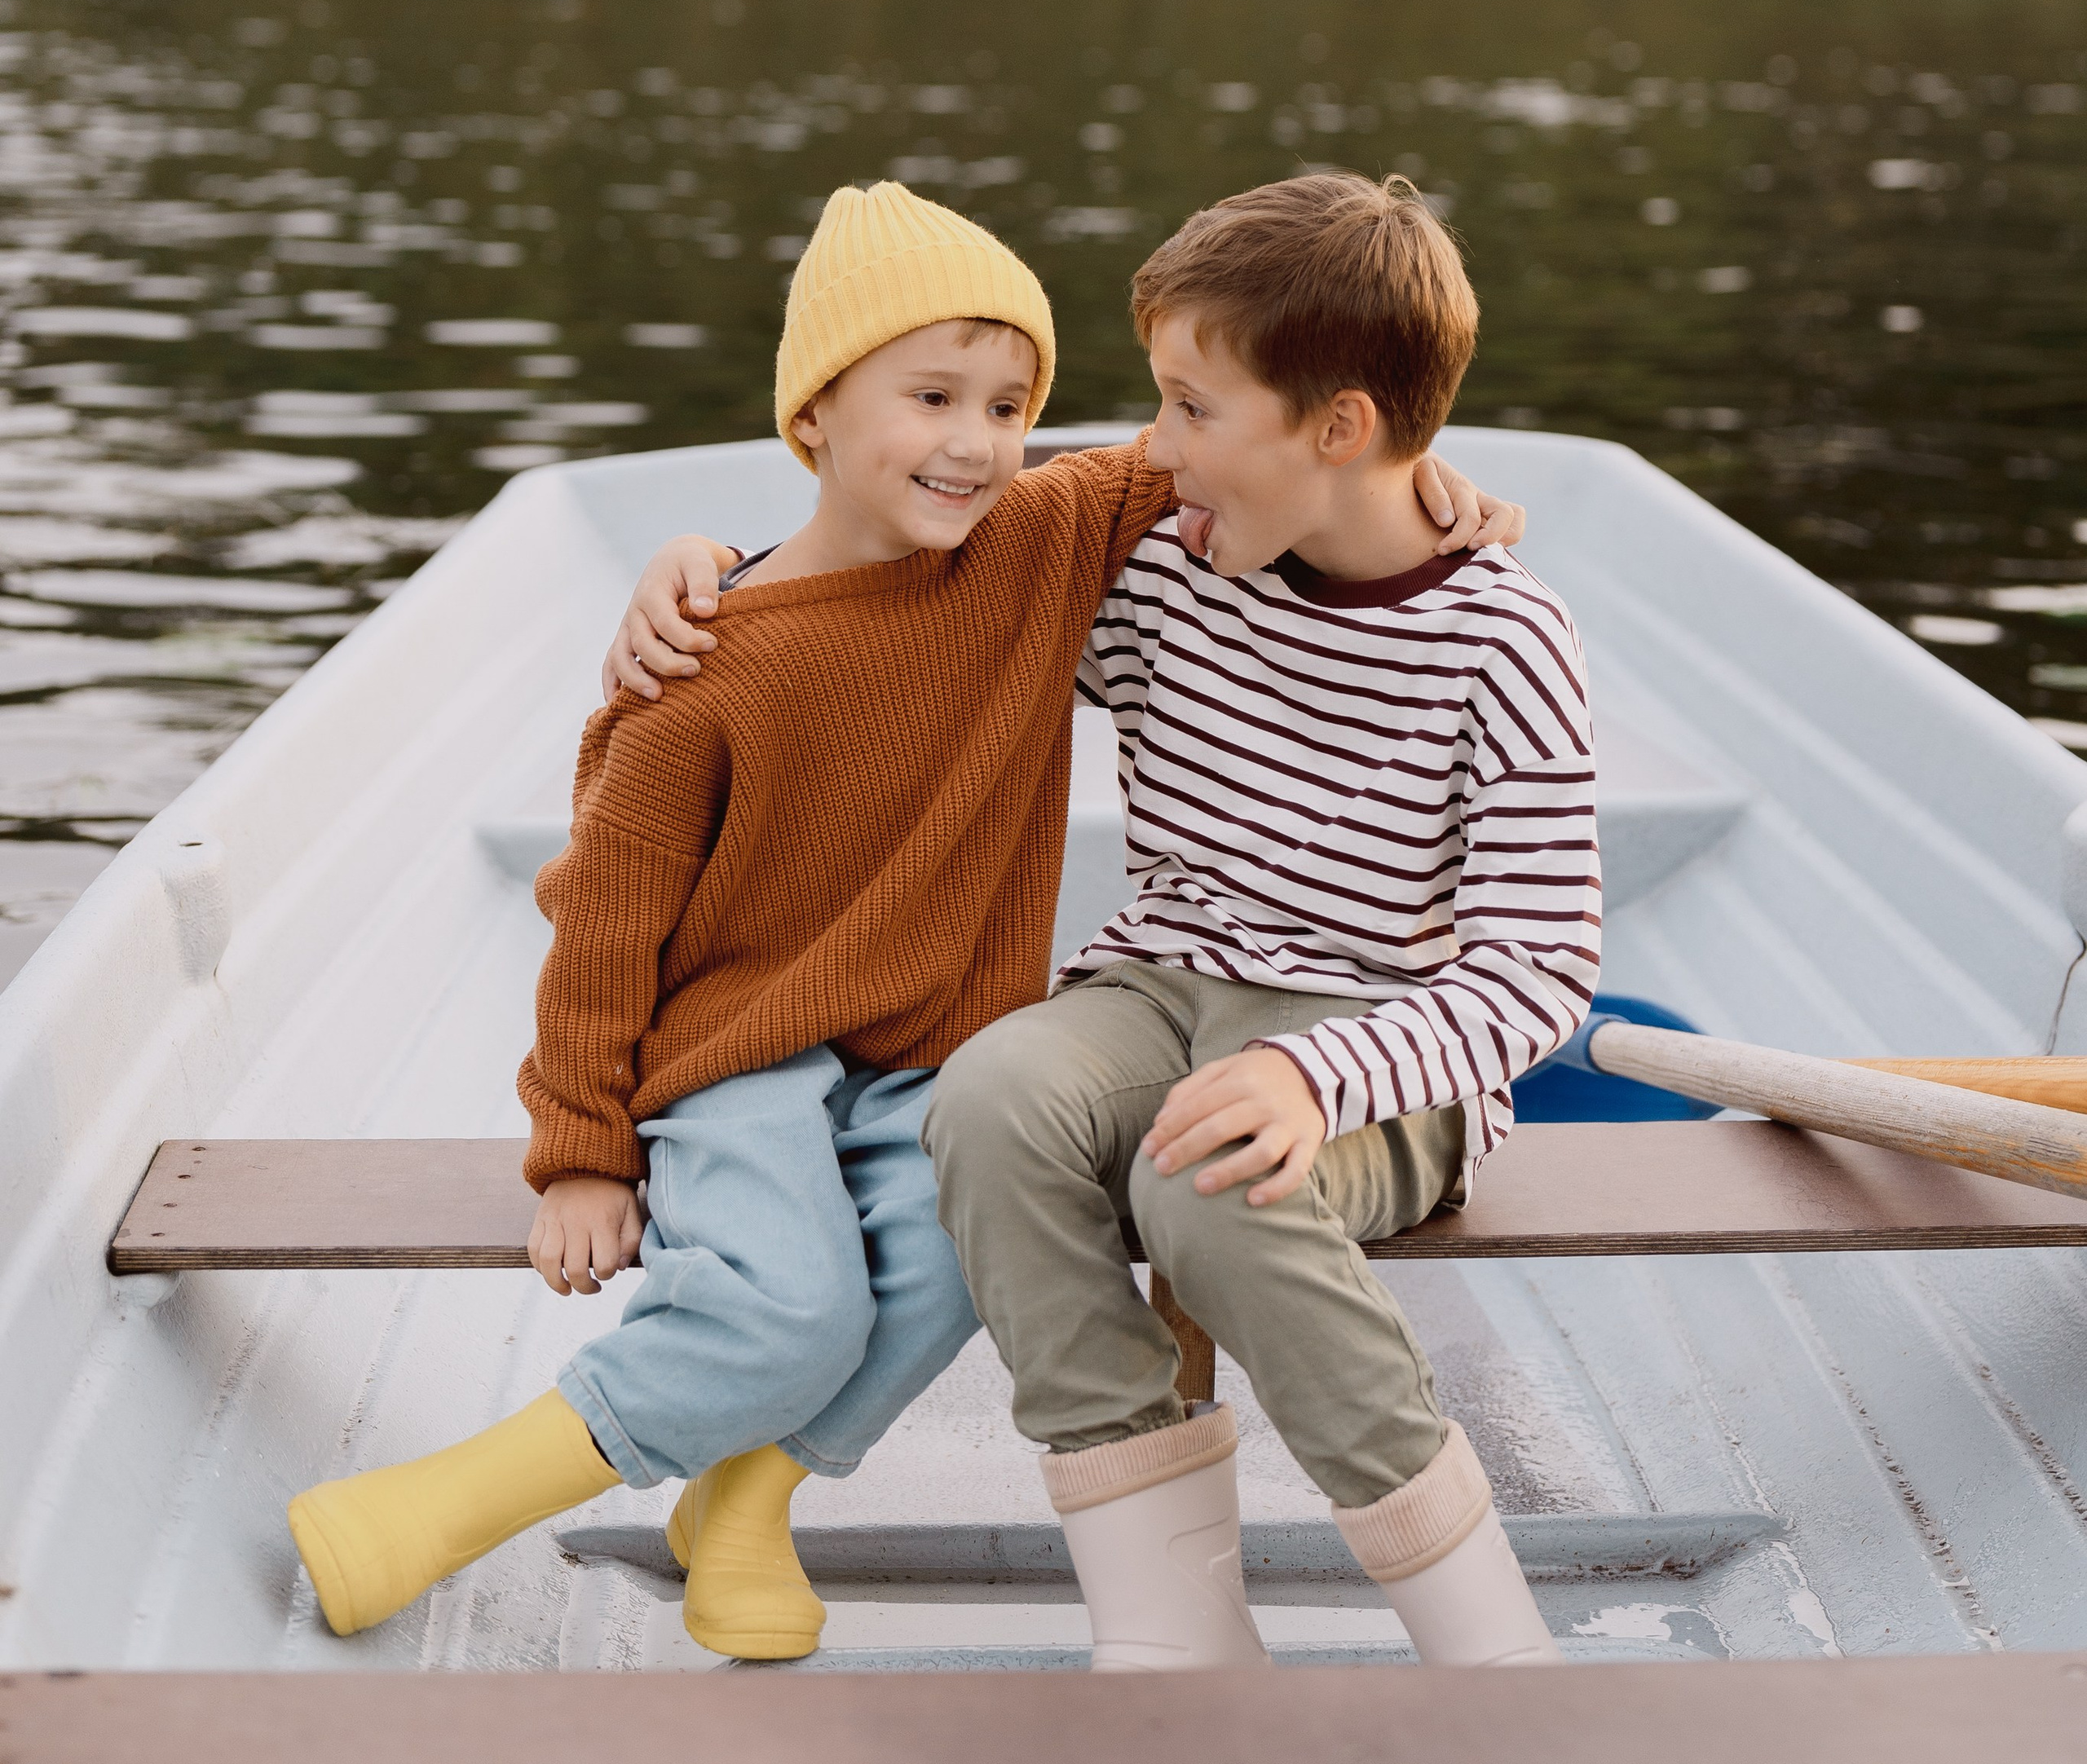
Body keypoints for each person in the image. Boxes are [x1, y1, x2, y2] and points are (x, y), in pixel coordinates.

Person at [286, 178, 1516, 1660]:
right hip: (736, 1045)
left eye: (1010, 403)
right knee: (793, 1313)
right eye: (932, 394)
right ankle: (441, 1504)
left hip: (930, 1043)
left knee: (961, 1246)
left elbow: (1272, 447)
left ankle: (749, 1493)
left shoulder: (1047, 536)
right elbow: (601, 923)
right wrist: (580, 1154)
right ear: (812, 415)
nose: (979, 441)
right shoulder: (707, 661)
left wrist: (1442, 487)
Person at [922, 172, 1599, 1674]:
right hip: (1161, 983)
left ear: (1341, 429)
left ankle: (1496, 1653)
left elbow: (1543, 966)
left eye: (1188, 405)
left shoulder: (1506, 636)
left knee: (1206, 1182)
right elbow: (914, 591)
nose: (1152, 448)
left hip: (1377, 1045)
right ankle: (1172, 1622)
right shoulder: (1163, 563)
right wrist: (713, 572)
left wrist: (1315, 1077)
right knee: (990, 1098)